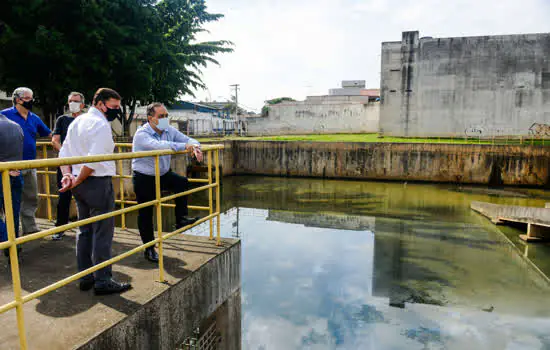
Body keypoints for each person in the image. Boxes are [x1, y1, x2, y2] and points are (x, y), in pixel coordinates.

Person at [59, 87, 131, 295]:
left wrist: (68, 176)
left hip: (78, 183)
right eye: (114, 107)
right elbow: (94, 158)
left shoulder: (77, 122)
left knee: (85, 230)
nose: (117, 111)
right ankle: (103, 280)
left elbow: (64, 152)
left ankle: (86, 276)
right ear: (100, 104)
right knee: (102, 232)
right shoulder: (100, 125)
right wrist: (78, 178)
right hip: (96, 182)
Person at [132, 102, 203, 263]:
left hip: (163, 173)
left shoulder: (169, 130)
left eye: (166, 116)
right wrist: (185, 146)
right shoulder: (142, 134)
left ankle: (180, 219)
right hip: (144, 176)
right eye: (161, 116)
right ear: (150, 118)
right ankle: (149, 249)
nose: (165, 119)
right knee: (146, 213)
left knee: (182, 183)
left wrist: (195, 146)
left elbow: (188, 139)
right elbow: (159, 146)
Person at [1, 87, 52, 235]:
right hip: (11, 166)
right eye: (28, 98)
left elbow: (49, 134)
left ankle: (29, 228)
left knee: (31, 197)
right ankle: (10, 233)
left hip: (30, 164)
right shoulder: (4, 116)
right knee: (10, 201)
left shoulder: (33, 118)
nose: (32, 101)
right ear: (18, 99)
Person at [51, 92, 86, 240]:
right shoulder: (62, 119)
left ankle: (86, 228)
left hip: (83, 164)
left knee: (85, 196)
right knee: (64, 197)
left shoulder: (87, 120)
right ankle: (60, 227)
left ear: (82, 104)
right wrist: (66, 154)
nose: (73, 103)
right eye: (70, 101)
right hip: (66, 164)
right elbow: (55, 140)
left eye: (76, 101)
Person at [0, 113, 24, 258]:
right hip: (15, 172)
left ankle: (6, 241)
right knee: (12, 213)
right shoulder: (15, 125)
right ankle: (13, 246)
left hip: (2, 172)